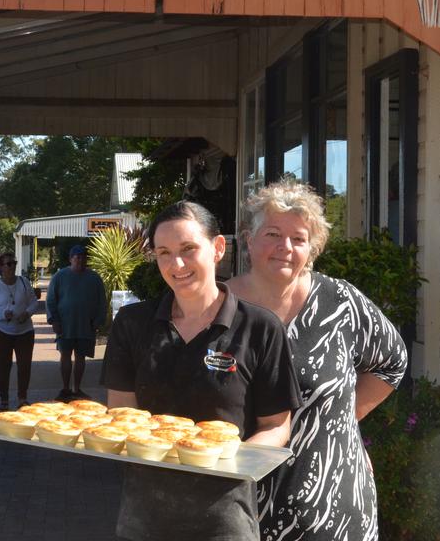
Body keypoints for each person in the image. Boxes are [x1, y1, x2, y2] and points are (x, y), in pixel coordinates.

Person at [102, 201, 301, 541]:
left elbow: (276, 426)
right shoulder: (133, 324)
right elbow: (121, 415)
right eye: (163, 252)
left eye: (188, 249)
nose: (176, 264)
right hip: (143, 518)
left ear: (218, 248)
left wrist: (222, 459)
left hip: (224, 519)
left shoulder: (259, 328)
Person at [227, 179, 408, 541]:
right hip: (238, 507)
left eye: (299, 239)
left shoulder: (340, 302)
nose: (286, 248)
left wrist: (342, 420)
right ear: (249, 239)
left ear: (312, 249)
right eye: (273, 234)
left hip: (335, 506)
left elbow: (393, 361)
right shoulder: (219, 309)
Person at [45, 244, 106, 402]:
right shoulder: (60, 276)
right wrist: (54, 320)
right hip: (65, 324)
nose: (80, 260)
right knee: (65, 355)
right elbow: (51, 299)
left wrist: (98, 321)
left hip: (86, 324)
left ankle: (77, 389)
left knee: (81, 357)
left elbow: (102, 301)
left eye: (83, 257)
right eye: (77, 257)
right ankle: (65, 389)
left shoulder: (94, 278)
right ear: (70, 259)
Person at [0, 253, 39, 410]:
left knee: (24, 365)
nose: (12, 266)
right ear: (0, 267)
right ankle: (4, 400)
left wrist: (26, 313)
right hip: (1, 332)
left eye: (14, 263)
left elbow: (34, 303)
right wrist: (2, 315)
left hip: (25, 331)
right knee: (4, 366)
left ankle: (22, 398)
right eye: (8, 264)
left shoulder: (23, 282)